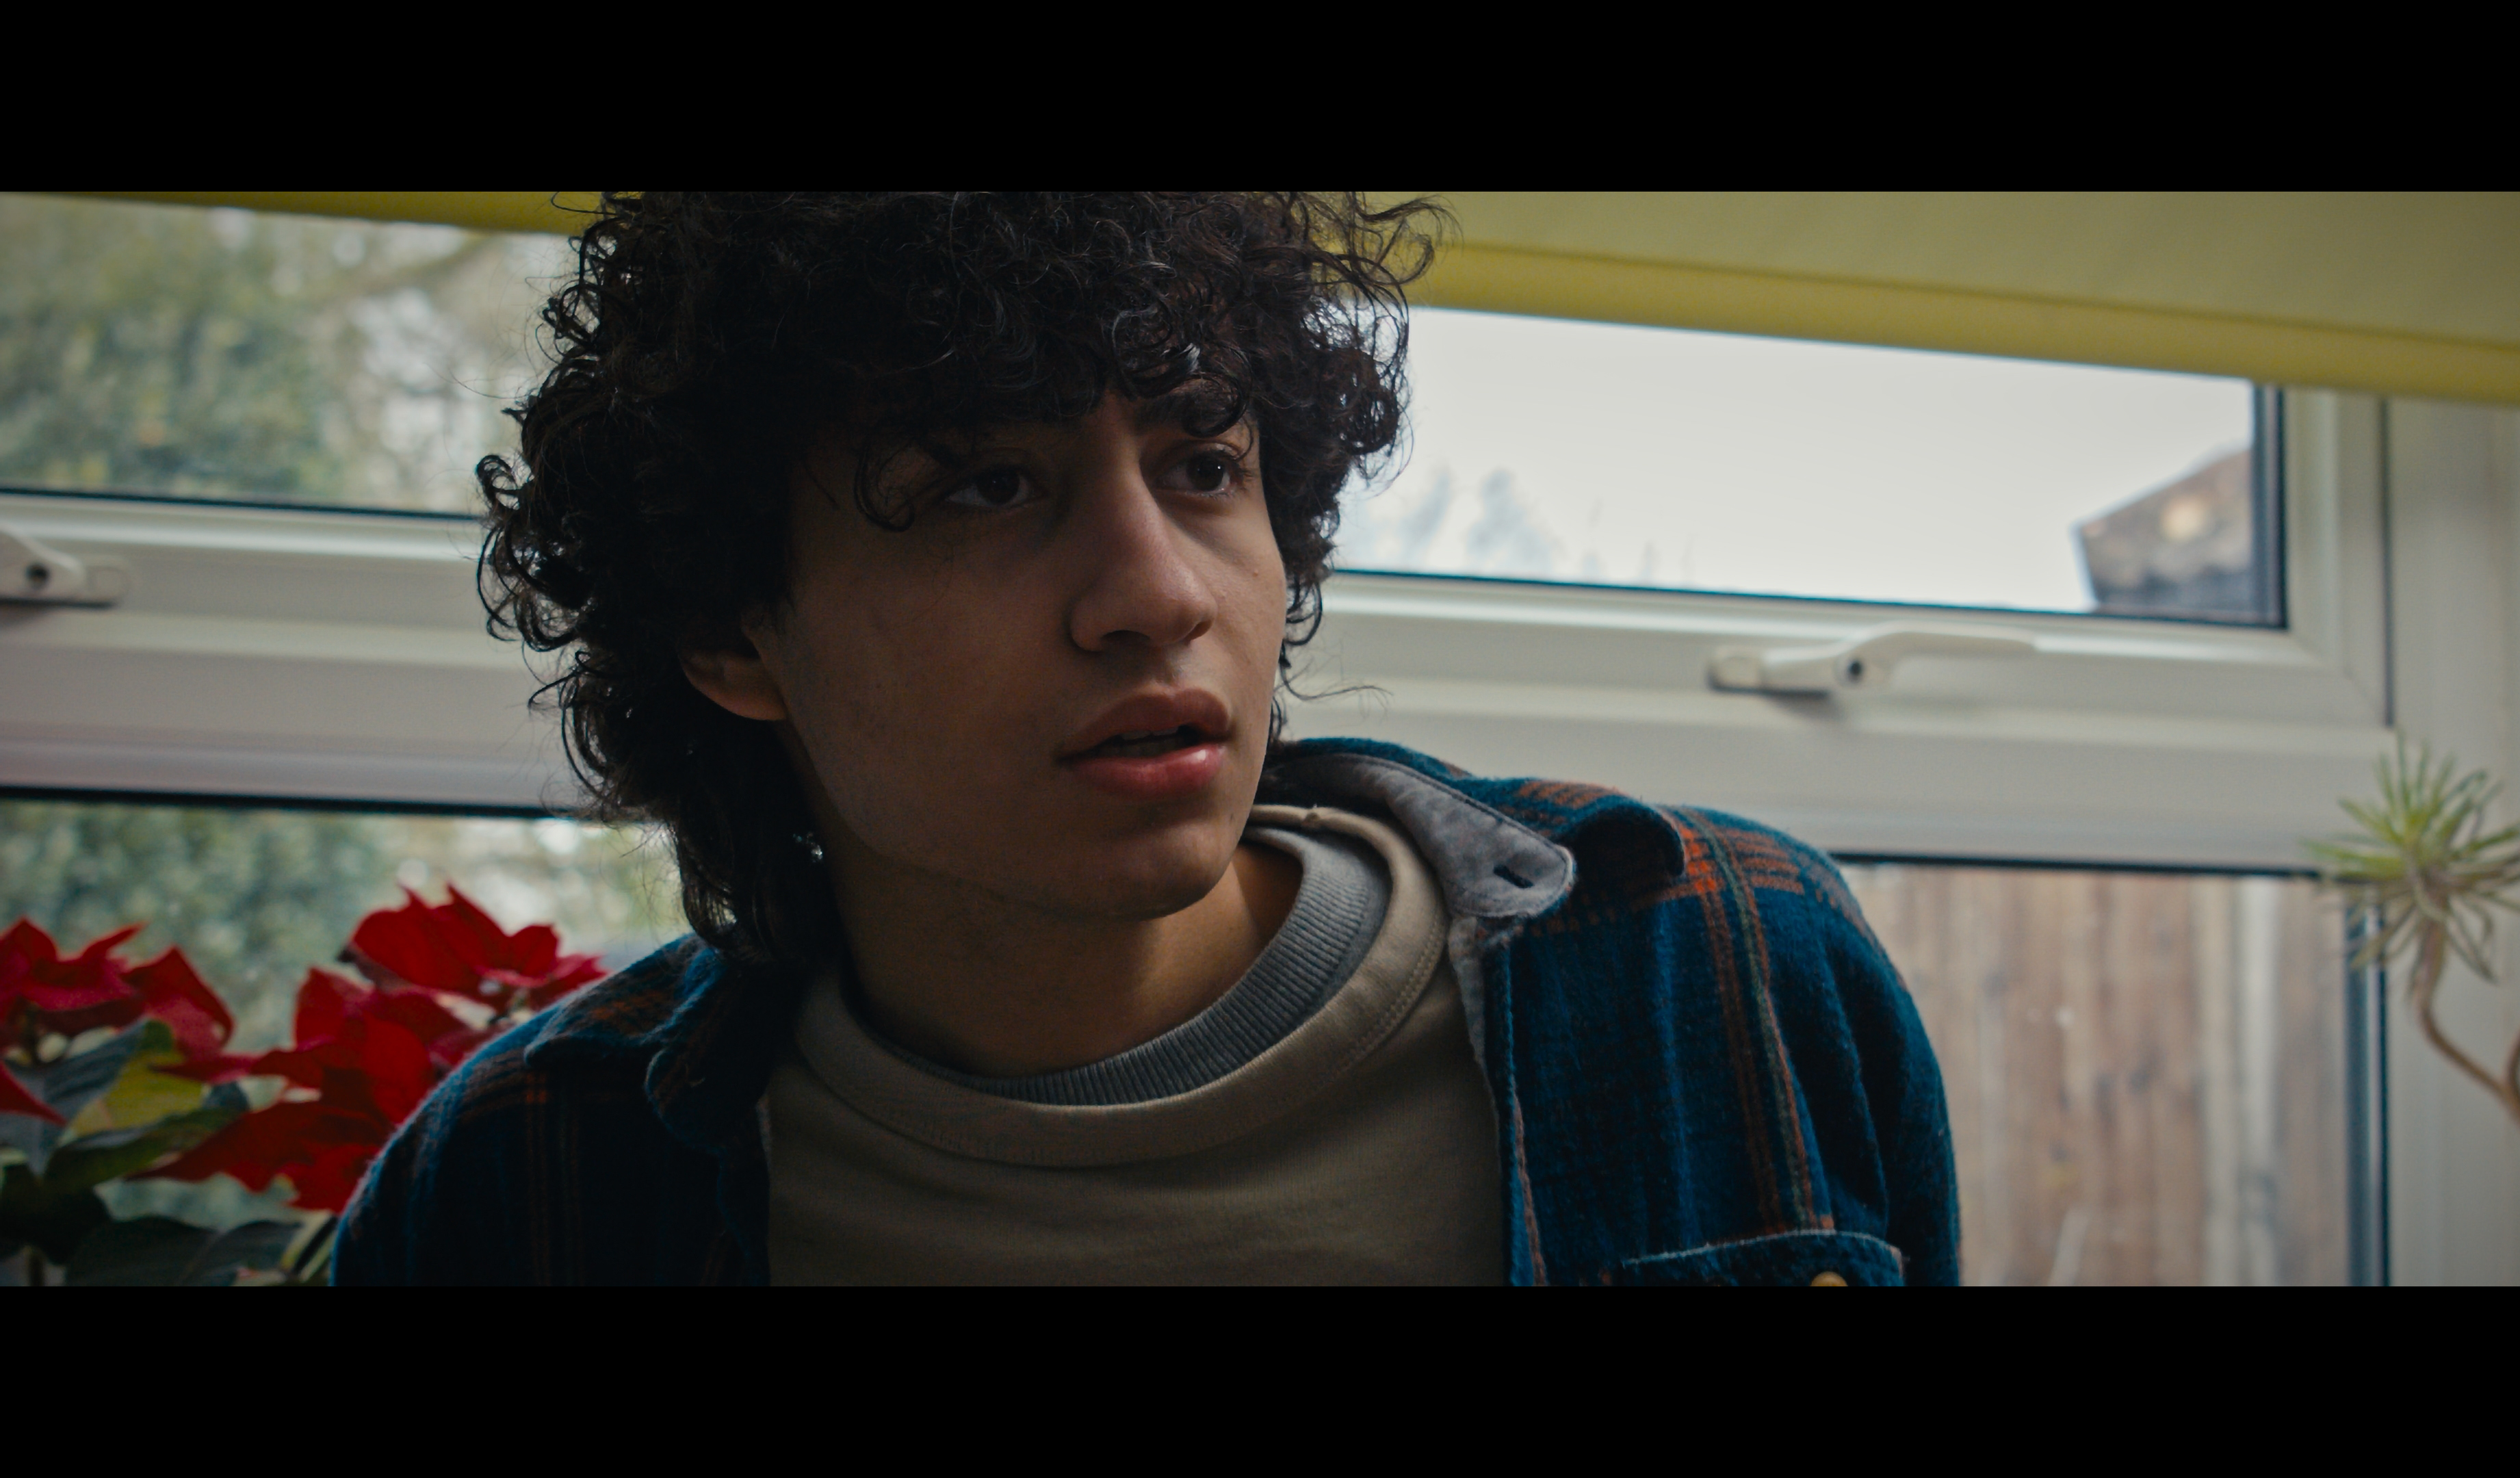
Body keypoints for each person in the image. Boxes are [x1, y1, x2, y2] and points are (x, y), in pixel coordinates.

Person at [333, 193, 1958, 1286]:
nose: (1157, 593)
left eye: (1203, 468)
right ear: (730, 630)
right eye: (986, 487)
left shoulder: (1721, 964)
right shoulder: (529, 1186)